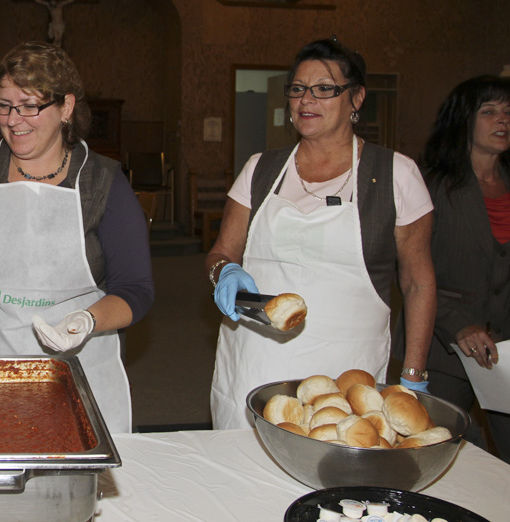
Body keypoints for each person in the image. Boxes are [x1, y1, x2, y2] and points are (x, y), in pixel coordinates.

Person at [0, 41, 154, 434]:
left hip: (74, 372)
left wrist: (88, 321)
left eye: (29, 105)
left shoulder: (103, 182)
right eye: (4, 105)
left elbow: (135, 289)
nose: (13, 119)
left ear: (67, 108)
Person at [206, 37, 437, 429]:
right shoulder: (260, 169)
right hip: (254, 361)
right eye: (297, 89)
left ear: (357, 98)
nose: (306, 100)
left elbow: (418, 281)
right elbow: (221, 252)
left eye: (324, 89)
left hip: (347, 373)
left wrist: (413, 374)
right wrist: (223, 273)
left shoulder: (396, 174)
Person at [419, 75, 510, 462]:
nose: (502, 120)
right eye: (488, 111)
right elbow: (412, 273)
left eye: (508, 112)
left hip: (506, 349)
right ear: (464, 121)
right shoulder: (435, 187)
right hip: (447, 349)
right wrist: (457, 323)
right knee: (438, 457)